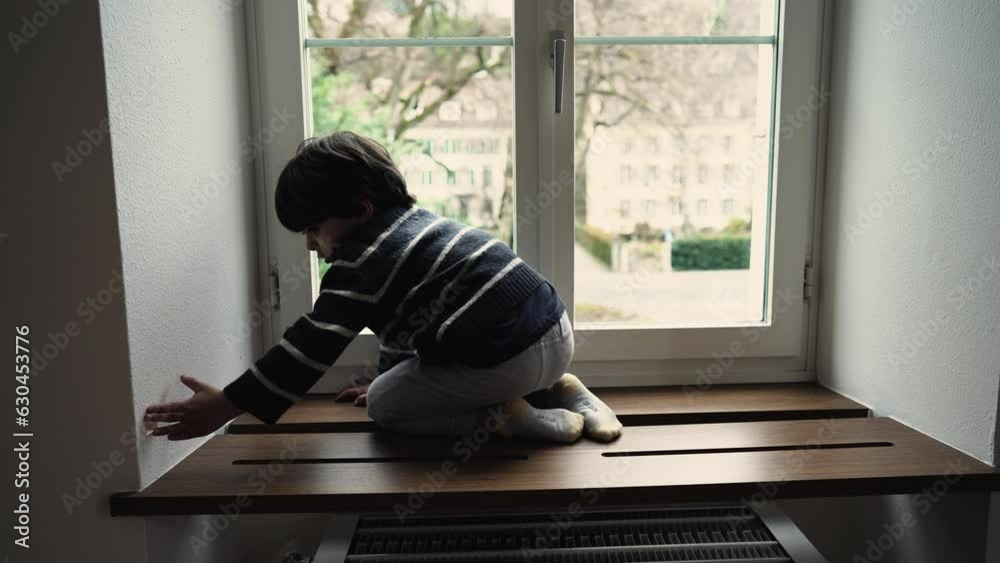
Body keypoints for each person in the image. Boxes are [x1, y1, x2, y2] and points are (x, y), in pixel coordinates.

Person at [145, 131, 622, 443]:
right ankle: (561, 387)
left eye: (314, 228)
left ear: (362, 208)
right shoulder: (420, 225)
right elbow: (410, 331)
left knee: (386, 405)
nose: (312, 246)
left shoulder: (361, 261)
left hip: (507, 360)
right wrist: (387, 371)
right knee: (400, 381)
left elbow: (311, 342)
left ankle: (516, 421)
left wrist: (230, 403)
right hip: (555, 334)